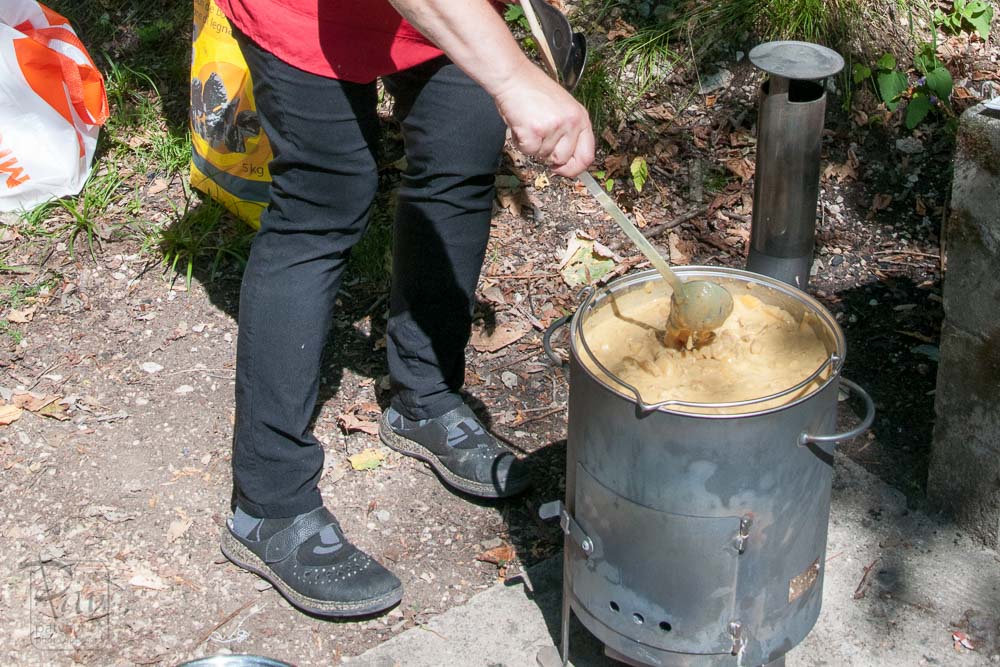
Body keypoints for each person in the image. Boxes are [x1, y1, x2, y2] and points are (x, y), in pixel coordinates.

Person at [214, 0, 594, 617]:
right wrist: (513, 76)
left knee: (461, 157)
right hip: (304, 14)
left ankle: (425, 398)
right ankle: (268, 504)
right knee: (323, 200)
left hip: (449, 15)